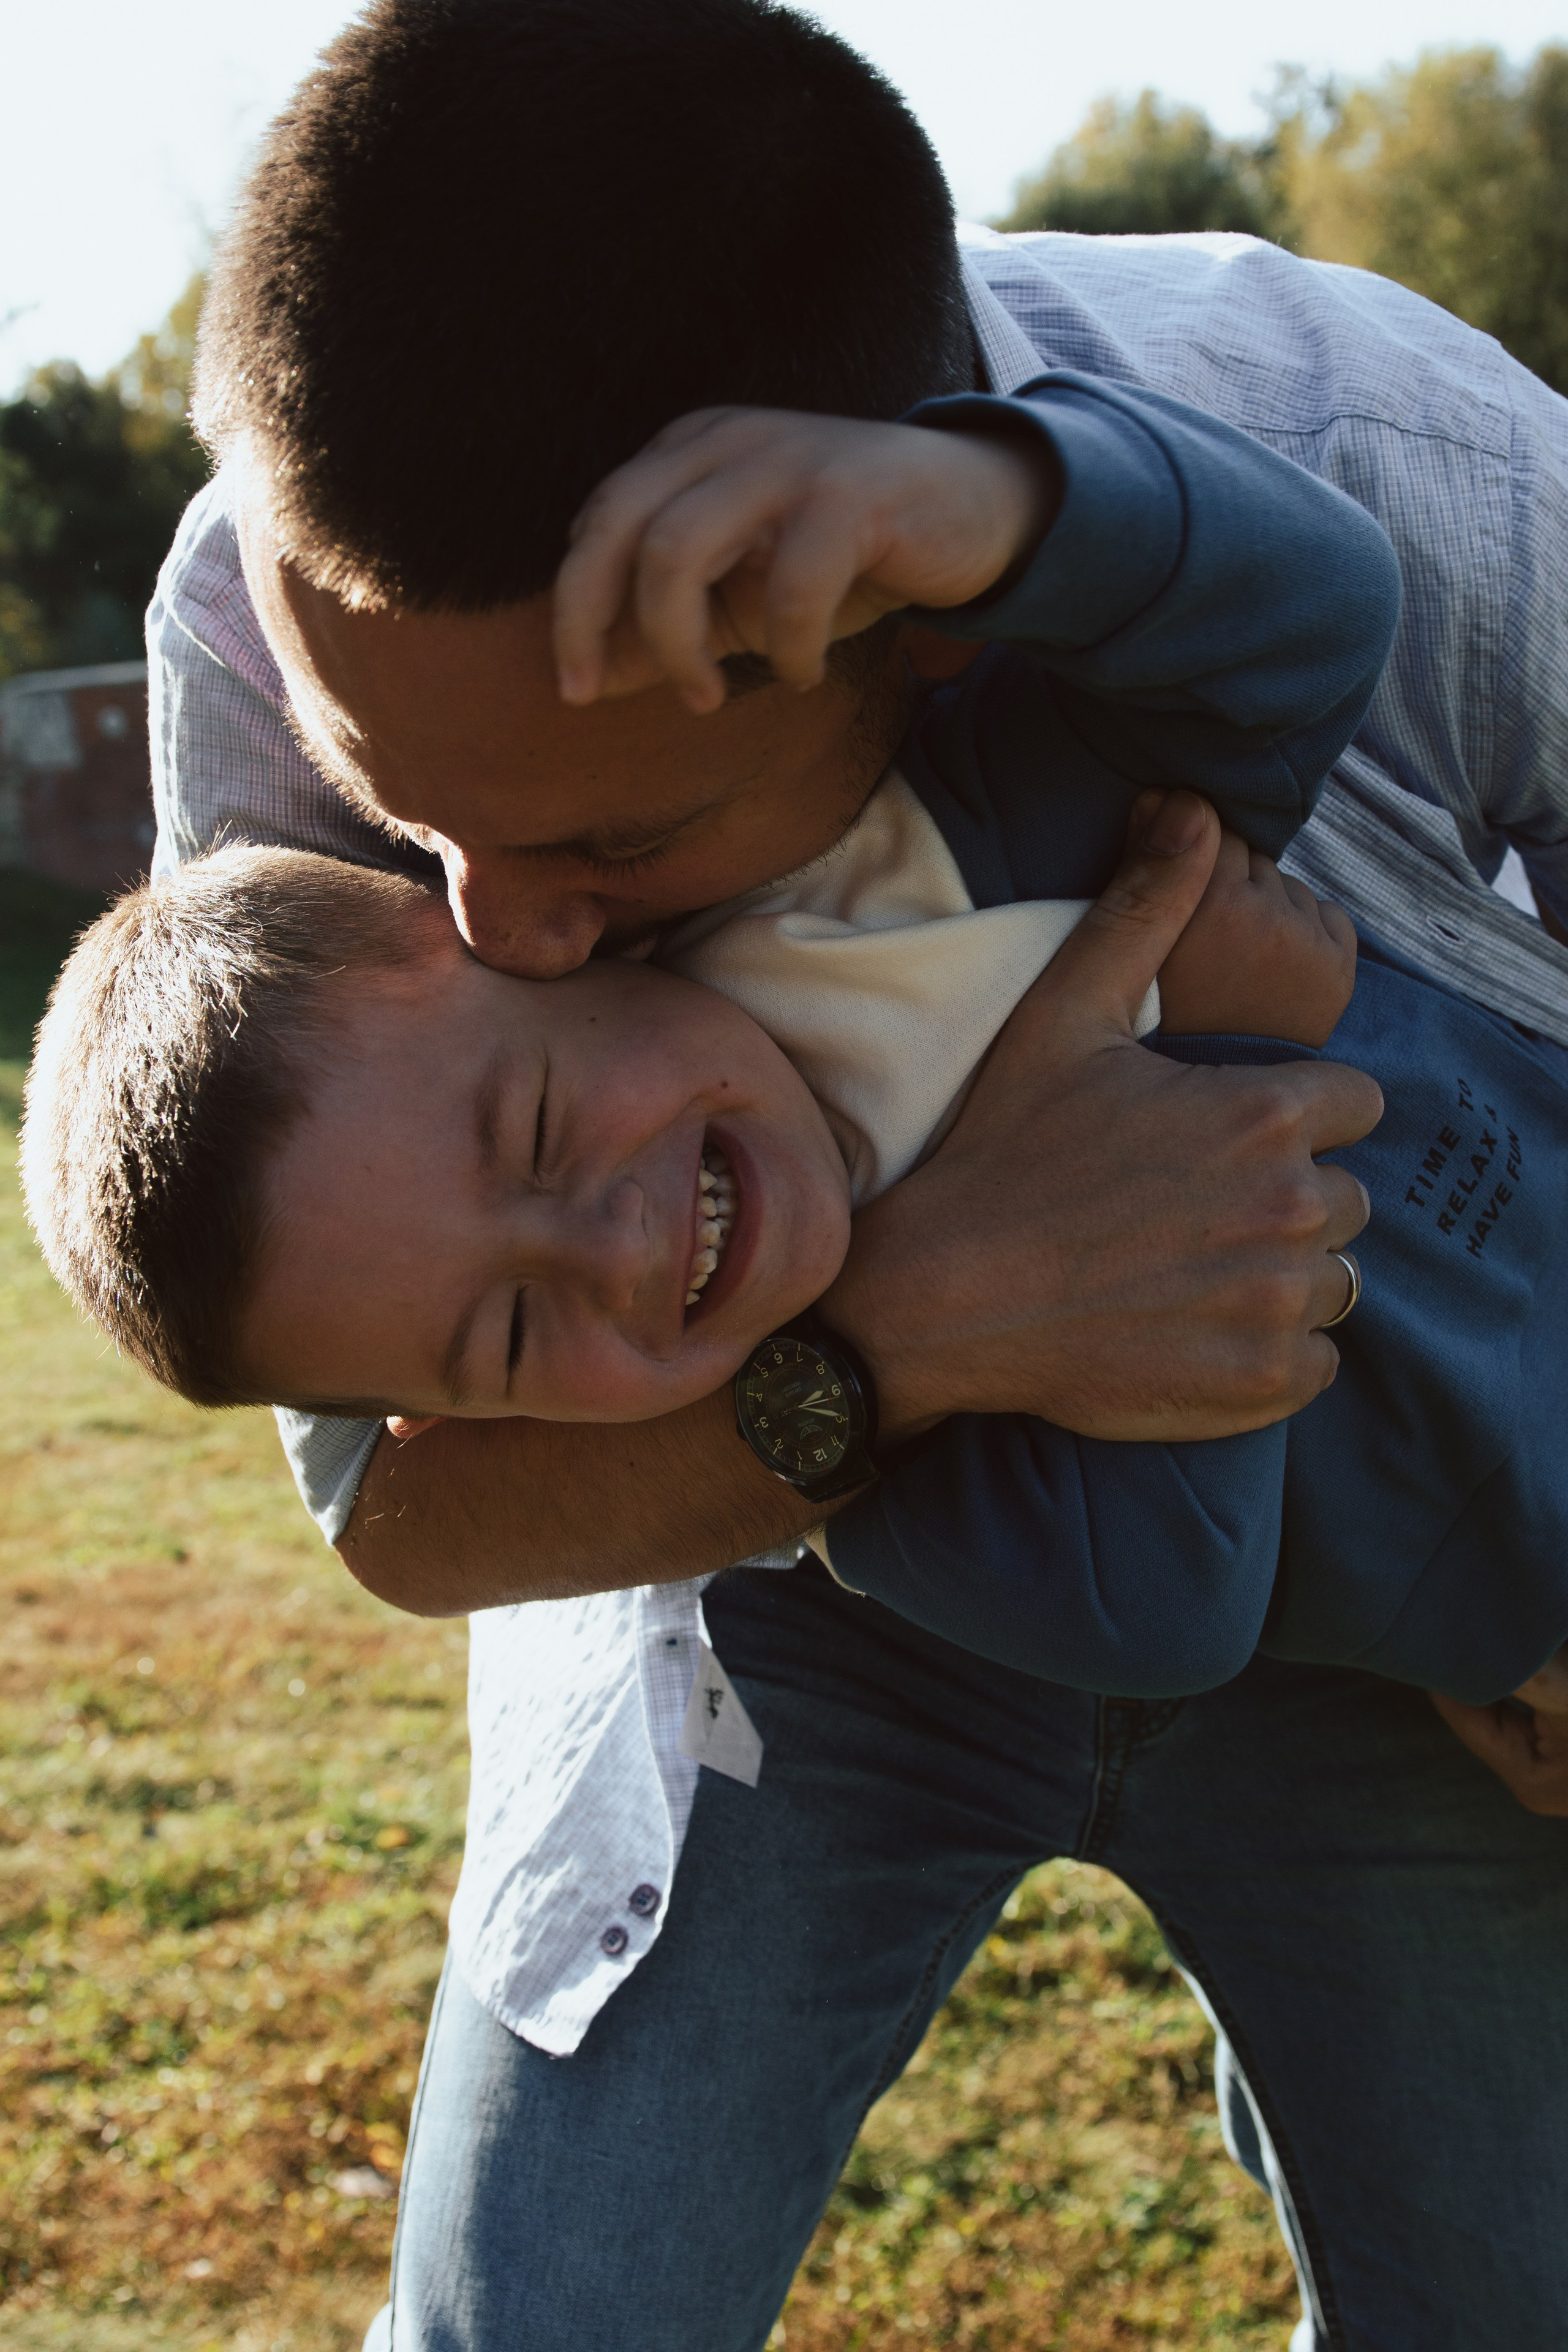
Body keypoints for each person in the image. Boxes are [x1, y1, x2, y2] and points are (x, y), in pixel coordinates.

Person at [135, 2, 1568, 2343]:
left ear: (914, 640)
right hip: (750, 1554)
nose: (505, 932)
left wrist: (1023, 511)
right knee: (545, 2316)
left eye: (615, 841)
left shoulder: (1378, 445)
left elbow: (1295, 607)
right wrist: (907, 1333)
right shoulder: (285, 608)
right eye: (409, 828)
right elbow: (398, 1501)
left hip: (1422, 1532)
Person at [29, 757, 1568, 1709]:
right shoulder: (882, 1499)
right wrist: (1216, 1057)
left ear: (529, 931)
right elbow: (1168, 1612)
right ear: (472, 1423)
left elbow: (1292, 631)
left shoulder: (868, 885)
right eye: (510, 1333)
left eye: (542, 1126)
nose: (614, 1253)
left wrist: (987, 494)